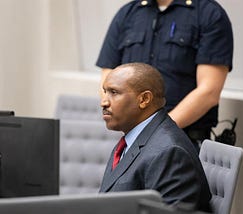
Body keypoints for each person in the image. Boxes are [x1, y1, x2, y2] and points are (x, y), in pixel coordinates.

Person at [96, 0, 234, 150]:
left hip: (183, 142)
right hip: (130, 141)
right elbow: (107, 81)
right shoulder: (127, 14)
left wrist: (153, 132)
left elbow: (209, 92)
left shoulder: (209, 14)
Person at [99, 62, 212, 212]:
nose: (104, 102)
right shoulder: (132, 139)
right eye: (105, 92)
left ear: (144, 99)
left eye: (114, 92)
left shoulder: (169, 153)